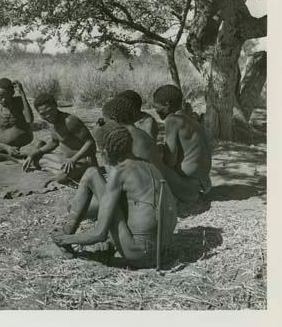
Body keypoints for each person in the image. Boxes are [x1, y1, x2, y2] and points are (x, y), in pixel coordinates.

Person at [52, 122, 177, 269]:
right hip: (163, 252)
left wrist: (67, 239)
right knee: (120, 199)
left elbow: (99, 234)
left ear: (104, 152)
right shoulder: (149, 165)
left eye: (99, 152)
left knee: (92, 173)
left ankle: (66, 235)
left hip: (139, 255)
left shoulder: (120, 172)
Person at [153, 84, 212, 203]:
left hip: (188, 185)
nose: (156, 111)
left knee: (153, 162)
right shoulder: (192, 120)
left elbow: (170, 161)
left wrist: (157, 151)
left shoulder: (172, 120)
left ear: (167, 105)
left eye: (157, 107)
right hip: (204, 183)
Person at [22, 93, 97, 183]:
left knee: (60, 177)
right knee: (35, 159)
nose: (48, 116)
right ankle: (57, 167)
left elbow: (90, 142)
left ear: (55, 106)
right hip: (67, 160)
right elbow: (54, 142)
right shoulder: (51, 122)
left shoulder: (69, 121)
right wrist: (33, 154)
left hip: (84, 161)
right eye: (43, 114)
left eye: (50, 111)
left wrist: (74, 159)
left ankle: (56, 169)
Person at [98, 95, 164, 173]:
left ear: (114, 119)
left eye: (107, 123)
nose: (107, 126)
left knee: (92, 172)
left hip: (140, 180)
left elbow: (116, 169)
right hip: (150, 176)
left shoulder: (128, 137)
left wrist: (101, 146)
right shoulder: (139, 133)